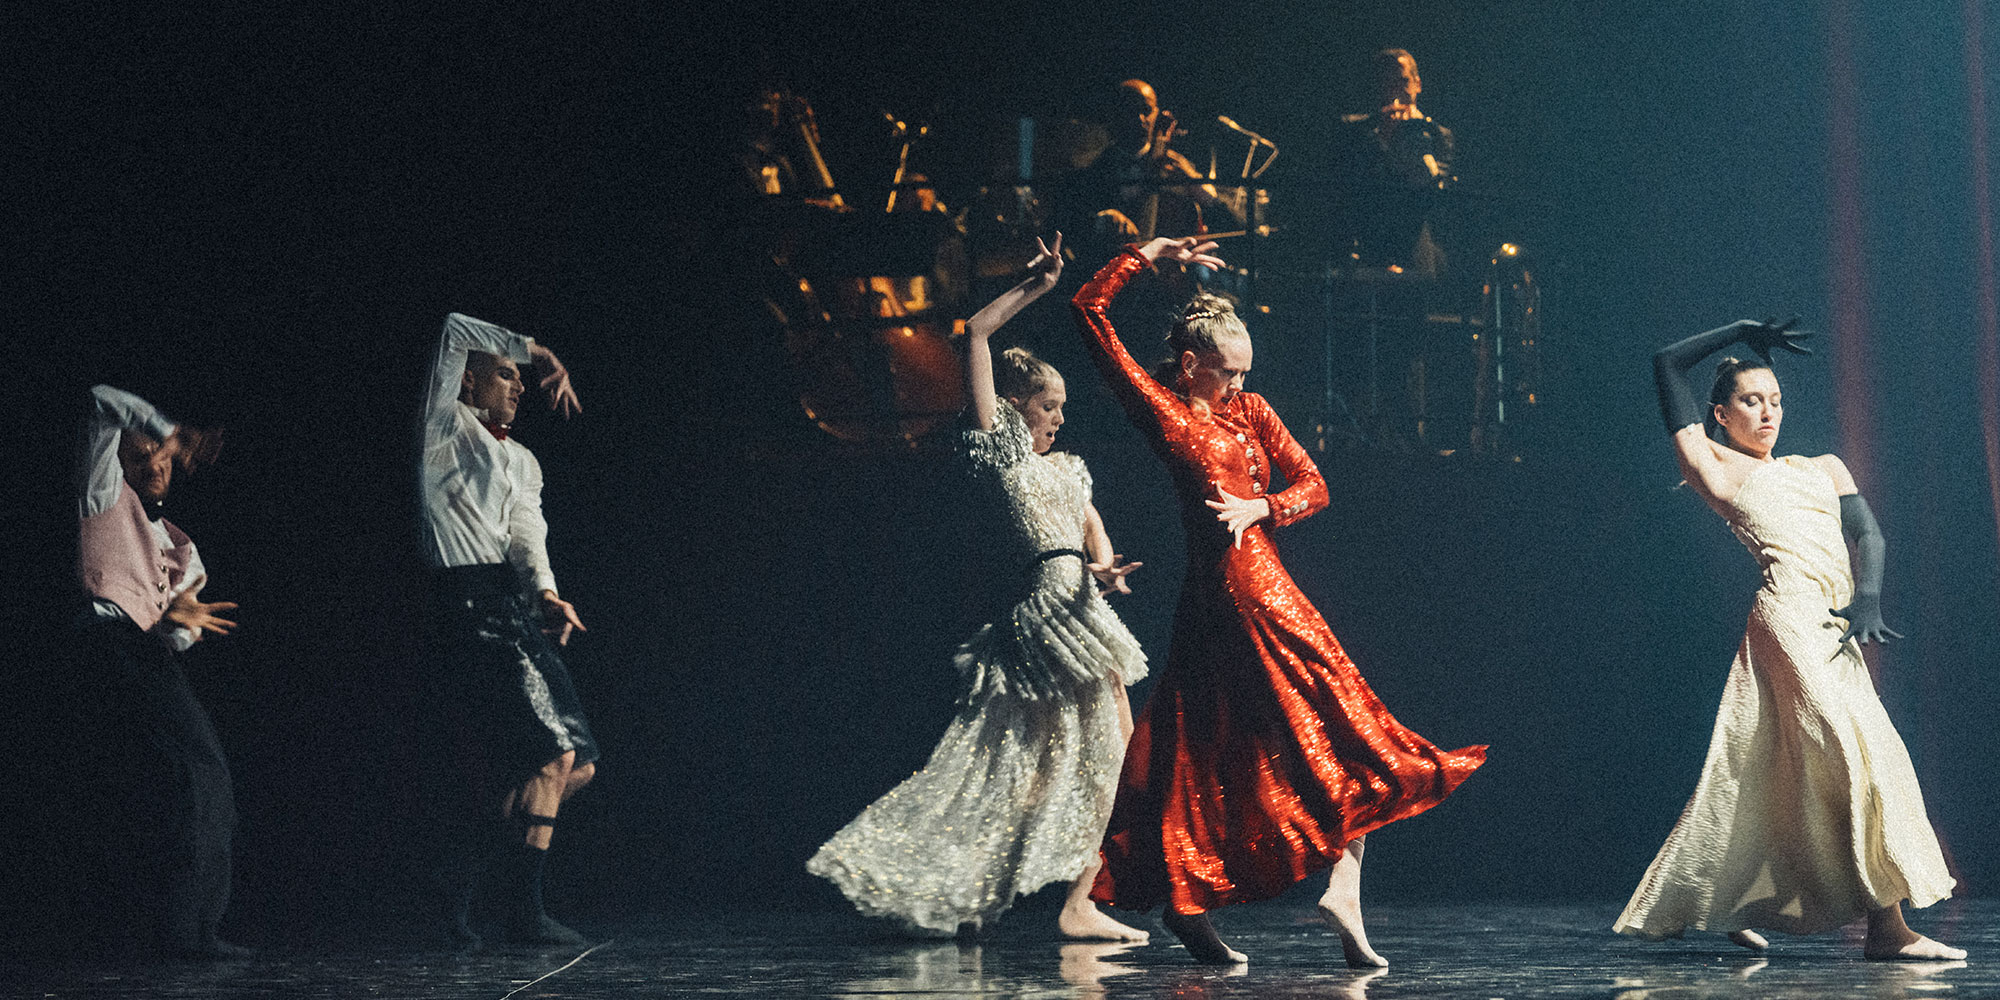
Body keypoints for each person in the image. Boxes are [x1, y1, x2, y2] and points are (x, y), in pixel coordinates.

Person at [1072, 237, 1486, 966]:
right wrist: (1145, 255)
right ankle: (1334, 889)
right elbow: (1089, 311)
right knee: (1345, 731)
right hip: (1241, 598)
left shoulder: (1253, 410)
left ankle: (1197, 909)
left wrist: (1261, 508)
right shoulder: (1163, 409)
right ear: (1194, 364)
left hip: (1236, 595)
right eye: (1226, 372)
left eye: (1245, 372)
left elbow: (1314, 485)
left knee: (1210, 755)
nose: (1237, 384)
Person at [808, 236, 1151, 940]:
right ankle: (1067, 903)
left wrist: (1105, 567)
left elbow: (1089, 529)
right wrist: (1039, 286)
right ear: (1020, 404)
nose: (1058, 418)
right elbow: (976, 332)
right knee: (1100, 751)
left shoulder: (1070, 468)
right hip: (1046, 611)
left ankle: (1028, 893)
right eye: (1049, 405)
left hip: (1080, 604)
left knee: (1054, 758)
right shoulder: (1002, 453)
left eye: (1061, 407)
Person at [1615, 319, 1964, 960]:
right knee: (1850, 761)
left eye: (1776, 400)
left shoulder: (1822, 466)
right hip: (1787, 620)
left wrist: (1868, 600)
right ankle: (1888, 931)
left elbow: (1871, 536)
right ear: (1720, 415)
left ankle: (1738, 901)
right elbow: (1666, 361)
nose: (1768, 412)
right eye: (1752, 401)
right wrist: (1740, 332)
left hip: (1835, 630)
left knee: (1787, 771)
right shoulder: (1713, 467)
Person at [419, 313, 598, 947]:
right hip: (464, 601)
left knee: (578, 769)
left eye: (522, 377)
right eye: (504, 374)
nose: (520, 386)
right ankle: (520, 909)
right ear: (467, 383)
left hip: (509, 604)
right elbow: (450, 330)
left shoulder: (522, 459)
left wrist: (546, 594)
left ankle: (456, 877)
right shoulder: (441, 430)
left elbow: (527, 535)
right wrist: (539, 348)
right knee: (553, 757)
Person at [70, 384, 244, 959]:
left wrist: (181, 620)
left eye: (165, 458)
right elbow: (98, 398)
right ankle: (184, 931)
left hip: (142, 652)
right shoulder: (102, 496)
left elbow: (177, 634)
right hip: (105, 643)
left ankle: (186, 928)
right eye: (142, 456)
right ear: (120, 460)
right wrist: (165, 426)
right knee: (200, 772)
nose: (157, 465)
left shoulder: (180, 547)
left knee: (190, 780)